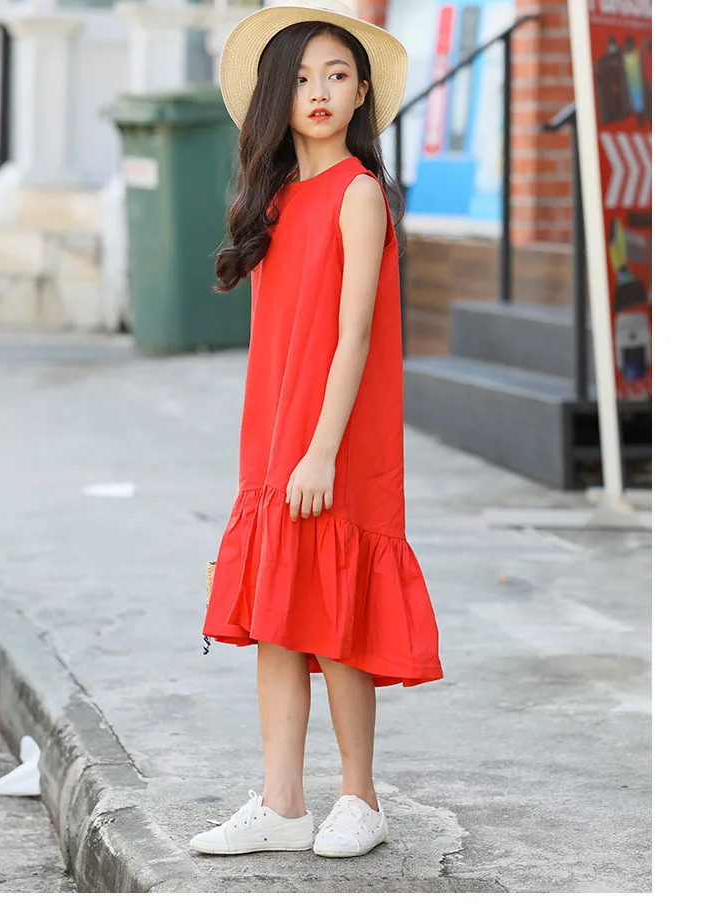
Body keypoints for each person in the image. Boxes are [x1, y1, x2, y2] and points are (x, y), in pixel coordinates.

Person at [192, 0, 443, 860]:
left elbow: (355, 333)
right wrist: (279, 447)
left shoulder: (359, 193)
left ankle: (359, 797)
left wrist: (322, 450)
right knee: (278, 617)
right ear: (278, 95)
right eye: (302, 78)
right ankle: (282, 802)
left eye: (338, 75)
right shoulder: (275, 202)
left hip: (336, 438)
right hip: (276, 432)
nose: (321, 91)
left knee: (336, 618)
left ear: (363, 92)